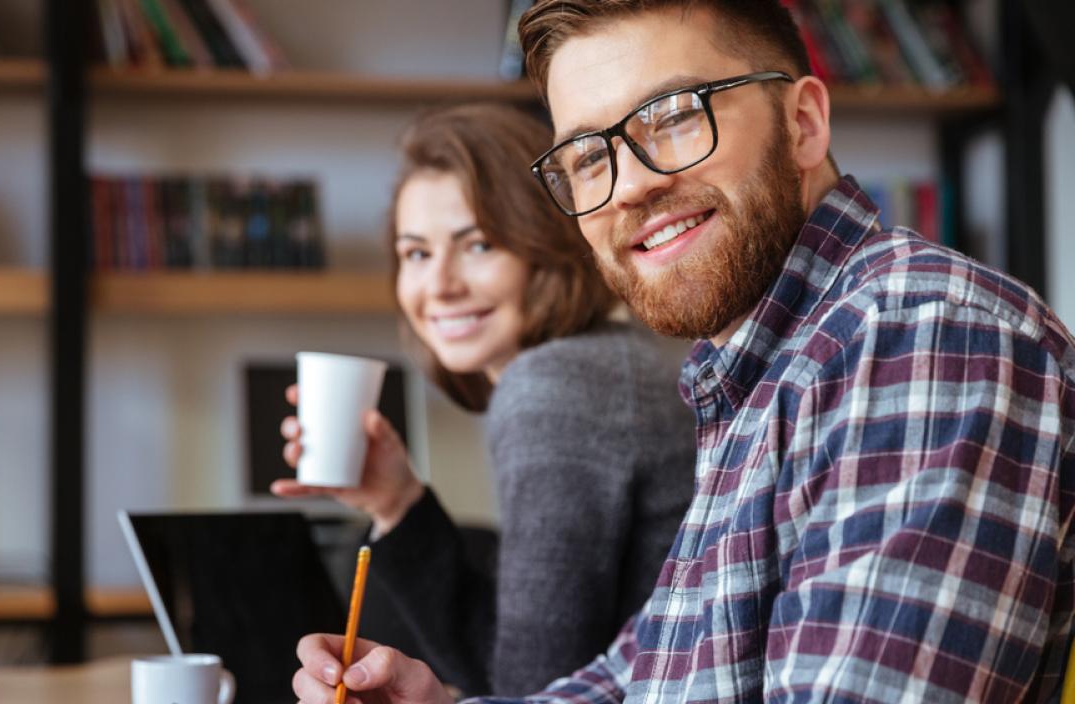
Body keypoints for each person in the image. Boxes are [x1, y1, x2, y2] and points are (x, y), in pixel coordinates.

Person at [289, 1, 1075, 702]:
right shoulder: (752, 374)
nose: (627, 187)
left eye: (671, 115)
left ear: (803, 123)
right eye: (590, 157)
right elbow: (638, 676)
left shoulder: (915, 334)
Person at [273, 103, 696, 696]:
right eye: (416, 253)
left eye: (478, 245)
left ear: (546, 248)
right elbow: (511, 666)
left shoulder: (555, 388)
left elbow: (529, 687)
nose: (439, 284)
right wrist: (397, 503)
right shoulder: (606, 361)